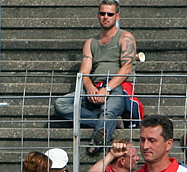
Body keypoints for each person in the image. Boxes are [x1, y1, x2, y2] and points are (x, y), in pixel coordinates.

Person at [54, 0, 137, 156]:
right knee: (61, 104)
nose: (106, 17)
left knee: (109, 110)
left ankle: (96, 141)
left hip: (117, 87)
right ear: (98, 15)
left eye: (110, 14)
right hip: (95, 86)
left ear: (117, 16)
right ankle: (106, 122)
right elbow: (84, 71)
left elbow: (126, 68)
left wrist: (107, 89)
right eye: (102, 13)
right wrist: (90, 87)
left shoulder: (125, 37)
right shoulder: (90, 42)